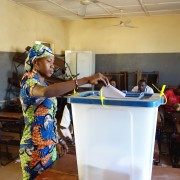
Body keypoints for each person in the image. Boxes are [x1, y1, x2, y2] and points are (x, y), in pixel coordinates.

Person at [19, 44, 108, 179]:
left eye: (53, 62)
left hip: (49, 145)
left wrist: (58, 139)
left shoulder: (44, 84)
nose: (52, 66)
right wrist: (86, 79)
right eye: (48, 61)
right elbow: (46, 93)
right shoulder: (28, 82)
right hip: (34, 149)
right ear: (36, 62)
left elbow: (48, 118)